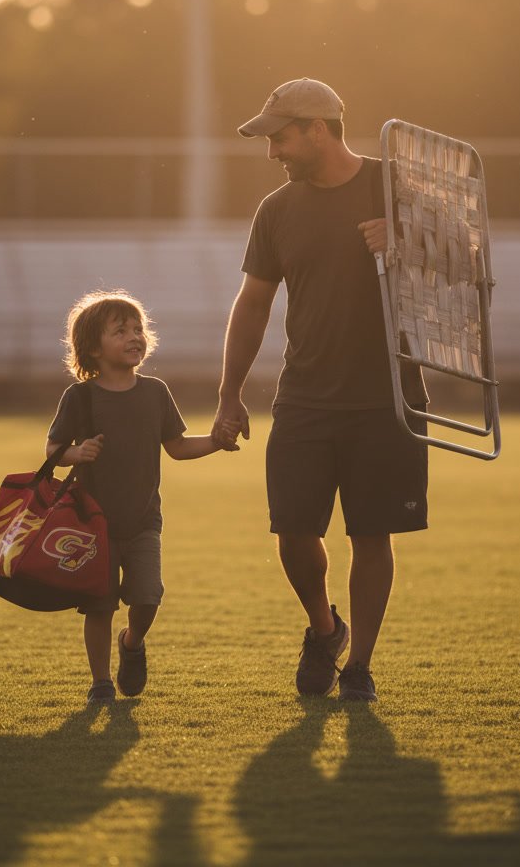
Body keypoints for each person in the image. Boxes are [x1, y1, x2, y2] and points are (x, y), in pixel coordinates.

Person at [212, 78, 429, 703]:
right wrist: (230, 394)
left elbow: (467, 261)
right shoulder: (276, 211)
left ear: (318, 129)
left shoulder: (396, 184)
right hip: (305, 397)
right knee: (294, 534)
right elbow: (253, 305)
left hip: (388, 396)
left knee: (372, 535)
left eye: (280, 137)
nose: (273, 151)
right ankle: (324, 628)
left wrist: (407, 242)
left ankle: (359, 666)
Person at [48, 289, 239, 709]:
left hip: (142, 522)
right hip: (92, 524)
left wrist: (217, 441)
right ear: (93, 348)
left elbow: (177, 446)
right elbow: (53, 451)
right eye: (121, 331)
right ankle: (100, 683)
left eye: (138, 329)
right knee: (98, 605)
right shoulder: (80, 397)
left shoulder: (155, 392)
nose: (134, 336)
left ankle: (131, 643)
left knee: (148, 596)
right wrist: (76, 453)